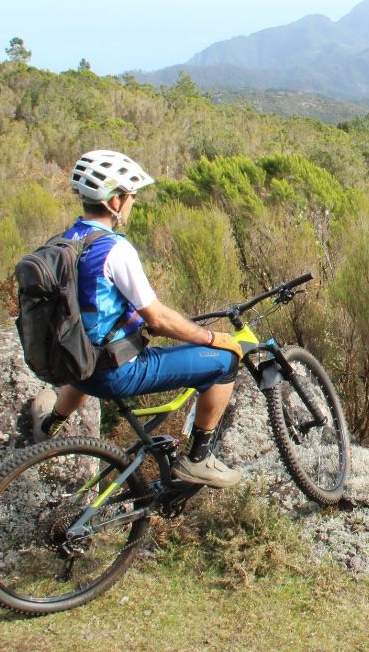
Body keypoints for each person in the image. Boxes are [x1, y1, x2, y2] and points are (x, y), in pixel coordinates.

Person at [28, 149, 245, 488]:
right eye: (131, 197)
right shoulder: (115, 250)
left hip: (75, 366)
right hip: (115, 374)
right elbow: (157, 318)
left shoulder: (66, 241)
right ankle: (197, 459)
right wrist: (211, 338)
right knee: (224, 361)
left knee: (95, 342)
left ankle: (50, 423)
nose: (133, 203)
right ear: (115, 201)